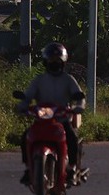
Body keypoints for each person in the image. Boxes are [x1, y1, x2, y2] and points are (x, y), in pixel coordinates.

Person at [16, 42, 87, 185]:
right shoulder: (39, 80)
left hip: (61, 119)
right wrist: (22, 105)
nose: (54, 64)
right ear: (45, 62)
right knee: (26, 137)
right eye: (51, 61)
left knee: (72, 138)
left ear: (63, 62)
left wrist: (79, 106)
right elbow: (28, 96)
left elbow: (79, 96)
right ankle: (29, 168)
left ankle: (72, 168)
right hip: (42, 119)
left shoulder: (68, 80)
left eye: (57, 61)